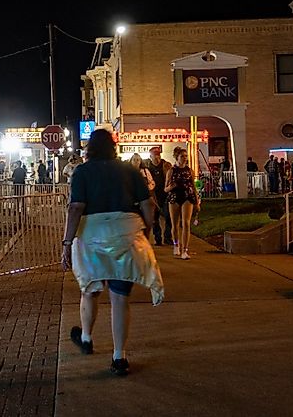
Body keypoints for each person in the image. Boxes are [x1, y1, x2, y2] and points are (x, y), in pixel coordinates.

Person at [62, 129, 163, 377]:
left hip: (92, 239)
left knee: (90, 289)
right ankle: (119, 357)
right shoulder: (130, 171)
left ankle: (86, 338)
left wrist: (66, 242)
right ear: (113, 147)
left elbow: (76, 208)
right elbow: (148, 204)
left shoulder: (82, 172)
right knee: (120, 298)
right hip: (125, 235)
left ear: (90, 149)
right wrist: (145, 231)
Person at [165, 146, 200, 260]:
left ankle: (185, 250)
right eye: (182, 156)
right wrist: (171, 187)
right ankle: (176, 244)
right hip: (174, 197)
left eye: (186, 156)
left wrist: (196, 201)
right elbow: (165, 188)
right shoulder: (171, 171)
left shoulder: (189, 170)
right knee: (174, 224)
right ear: (177, 157)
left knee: (186, 223)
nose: (184, 158)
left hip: (187, 197)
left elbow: (193, 187)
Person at [146, 147, 173, 246]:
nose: (157, 157)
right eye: (155, 155)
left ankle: (167, 237)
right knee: (154, 219)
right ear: (150, 156)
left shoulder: (166, 166)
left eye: (158, 155)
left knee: (168, 217)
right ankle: (157, 238)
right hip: (154, 196)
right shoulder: (148, 169)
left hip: (166, 195)